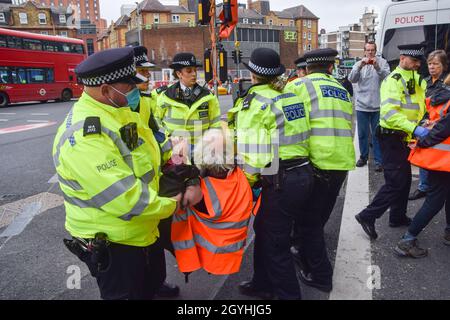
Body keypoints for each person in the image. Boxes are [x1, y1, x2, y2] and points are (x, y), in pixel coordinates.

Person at [53, 47, 182, 300]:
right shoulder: (85, 135)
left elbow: (149, 150)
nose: (135, 90)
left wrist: (176, 166)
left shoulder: (117, 110)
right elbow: (124, 198)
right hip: (116, 241)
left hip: (141, 230)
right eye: (129, 86)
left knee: (151, 286)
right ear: (105, 90)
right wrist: (173, 204)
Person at [229, 48, 313, 300]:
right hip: (302, 175)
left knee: (276, 244)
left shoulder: (254, 102)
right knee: (265, 228)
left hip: (280, 180)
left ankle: (288, 295)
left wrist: (240, 188)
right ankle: (262, 282)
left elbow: (253, 155)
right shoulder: (289, 95)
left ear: (252, 73)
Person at [286, 48, 355, 292]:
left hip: (317, 163)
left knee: (309, 223)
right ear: (330, 67)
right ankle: (302, 247)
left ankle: (321, 274)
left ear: (308, 67)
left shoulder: (298, 87)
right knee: (320, 215)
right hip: (341, 162)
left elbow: (290, 129)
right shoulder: (342, 90)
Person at [355, 44, 428, 240]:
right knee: (396, 182)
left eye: (419, 62)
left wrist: (422, 122)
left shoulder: (417, 79)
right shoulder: (392, 81)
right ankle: (367, 216)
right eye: (414, 61)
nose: (417, 65)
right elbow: (390, 113)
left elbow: (421, 104)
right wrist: (416, 128)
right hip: (392, 136)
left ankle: (397, 216)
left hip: (405, 137)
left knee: (403, 181)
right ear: (403, 58)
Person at [132, 46, 180, 298]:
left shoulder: (148, 100)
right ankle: (144, 287)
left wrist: (169, 162)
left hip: (156, 176)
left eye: (147, 71)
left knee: (158, 236)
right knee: (139, 242)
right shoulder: (126, 103)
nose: (147, 76)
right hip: (133, 180)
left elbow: (158, 135)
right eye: (141, 71)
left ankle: (157, 282)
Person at [171, 129, 255, 275]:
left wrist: (181, 159)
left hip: (206, 254)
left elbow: (179, 203)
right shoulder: (242, 178)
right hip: (232, 253)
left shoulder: (199, 191)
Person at [395, 74, 450, 257]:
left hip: (440, 159)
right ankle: (407, 240)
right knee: (435, 201)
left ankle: (448, 231)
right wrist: (421, 143)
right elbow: (442, 129)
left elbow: (436, 124)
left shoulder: (442, 95)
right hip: (442, 161)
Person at [157, 52, 222, 153]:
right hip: (174, 152)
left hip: (201, 153)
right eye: (189, 71)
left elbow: (215, 124)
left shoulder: (208, 97)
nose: (194, 74)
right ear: (179, 74)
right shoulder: (165, 96)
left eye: (195, 70)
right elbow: (156, 122)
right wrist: (167, 141)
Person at [409, 50, 448, 201]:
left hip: (441, 126)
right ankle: (424, 186)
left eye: (436, 64)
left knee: (439, 160)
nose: (432, 67)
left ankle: (436, 188)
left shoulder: (447, 82)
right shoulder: (424, 82)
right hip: (425, 124)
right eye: (430, 64)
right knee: (424, 157)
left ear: (443, 65)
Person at [348, 41, 390, 172]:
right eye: (368, 50)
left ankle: (378, 161)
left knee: (377, 135)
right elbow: (352, 79)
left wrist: (377, 67)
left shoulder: (382, 62)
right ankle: (363, 157)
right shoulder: (358, 63)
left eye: (373, 50)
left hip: (378, 105)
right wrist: (359, 66)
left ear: (376, 51)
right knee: (362, 134)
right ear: (364, 51)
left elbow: (388, 78)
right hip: (362, 106)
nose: (370, 52)